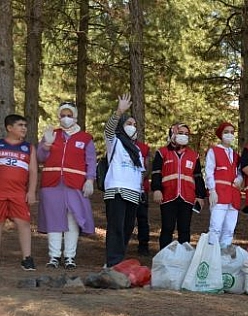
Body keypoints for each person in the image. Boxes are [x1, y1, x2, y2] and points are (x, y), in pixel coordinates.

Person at [37, 101, 96, 269]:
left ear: (75, 117)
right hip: (52, 183)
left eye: (69, 115)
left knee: (73, 219)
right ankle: (54, 256)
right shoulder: (52, 134)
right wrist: (46, 144)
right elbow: (40, 157)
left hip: (75, 183)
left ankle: (70, 256)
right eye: (62, 115)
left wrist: (90, 180)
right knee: (54, 219)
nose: (66, 118)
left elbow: (91, 161)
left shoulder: (85, 138)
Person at [102, 94, 145, 267]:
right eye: (129, 123)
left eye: (134, 125)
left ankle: (118, 261)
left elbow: (139, 172)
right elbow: (108, 130)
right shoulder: (115, 142)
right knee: (116, 228)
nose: (132, 127)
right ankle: (112, 263)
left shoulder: (137, 150)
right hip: (117, 190)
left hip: (133, 193)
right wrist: (119, 112)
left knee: (127, 229)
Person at [151, 123, 206, 249]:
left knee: (184, 229)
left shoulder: (193, 155)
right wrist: (157, 189)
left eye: (187, 134)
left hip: (187, 197)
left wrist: (200, 195)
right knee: (167, 227)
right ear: (173, 134)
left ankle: (184, 258)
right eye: (181, 133)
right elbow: (156, 172)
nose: (184, 136)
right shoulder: (162, 152)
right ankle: (164, 257)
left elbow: (198, 176)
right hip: (168, 195)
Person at [1, 114, 38, 270]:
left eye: (25, 125)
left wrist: (31, 192)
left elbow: (34, 172)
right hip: (1, 192)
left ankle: (27, 258)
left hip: (18, 193)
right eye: (20, 125)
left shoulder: (28, 148)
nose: (24, 128)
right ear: (10, 128)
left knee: (23, 223)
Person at [205, 122, 242, 249]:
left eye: (232, 132)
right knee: (215, 227)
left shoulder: (235, 154)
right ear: (221, 134)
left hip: (233, 195)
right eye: (226, 132)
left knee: (230, 229)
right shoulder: (214, 151)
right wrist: (212, 190)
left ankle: (224, 255)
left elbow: (240, 171)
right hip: (219, 193)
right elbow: (209, 171)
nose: (230, 135)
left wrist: (240, 178)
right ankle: (211, 254)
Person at [134, 139, 151, 256]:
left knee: (142, 218)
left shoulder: (144, 148)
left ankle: (143, 245)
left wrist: (139, 179)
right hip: (124, 188)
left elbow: (148, 167)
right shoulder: (118, 144)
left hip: (141, 188)